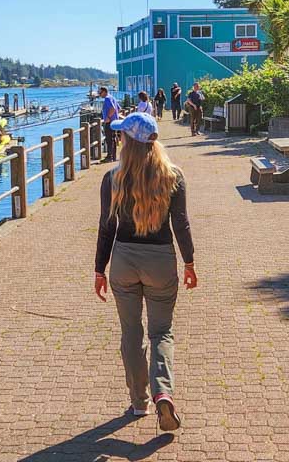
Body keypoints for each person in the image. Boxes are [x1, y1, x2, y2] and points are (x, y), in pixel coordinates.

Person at [94, 112, 196, 432]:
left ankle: (139, 402)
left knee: (131, 332)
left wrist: (100, 269)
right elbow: (180, 223)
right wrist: (189, 263)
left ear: (128, 141)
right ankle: (162, 392)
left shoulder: (113, 178)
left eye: (121, 135)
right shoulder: (173, 176)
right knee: (161, 332)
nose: (119, 139)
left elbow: (105, 228)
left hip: (123, 259)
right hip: (160, 260)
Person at [100, 86, 121, 162]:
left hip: (110, 122)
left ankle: (110, 157)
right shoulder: (112, 97)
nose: (99, 94)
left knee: (109, 139)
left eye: (100, 92)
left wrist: (108, 116)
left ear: (105, 92)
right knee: (113, 139)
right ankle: (113, 156)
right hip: (114, 122)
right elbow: (118, 108)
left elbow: (113, 108)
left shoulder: (107, 98)